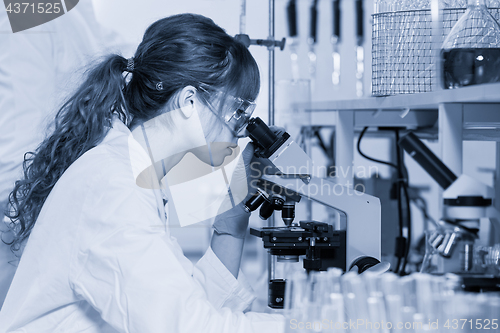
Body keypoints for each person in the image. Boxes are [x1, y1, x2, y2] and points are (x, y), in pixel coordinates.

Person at [0, 14, 284, 333]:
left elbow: (179, 306)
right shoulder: (114, 188)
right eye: (237, 113)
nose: (240, 134)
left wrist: (229, 226)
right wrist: (318, 322)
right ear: (189, 102)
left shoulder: (127, 171)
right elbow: (189, 326)